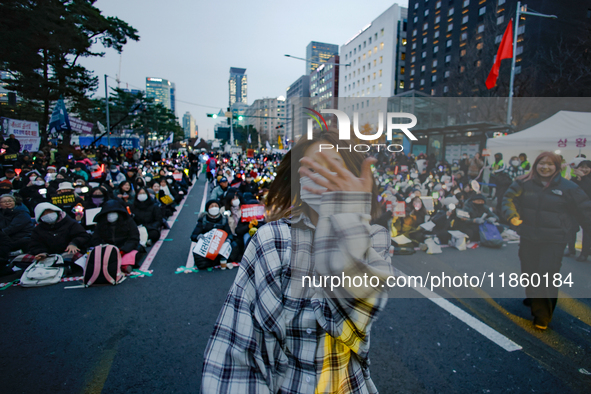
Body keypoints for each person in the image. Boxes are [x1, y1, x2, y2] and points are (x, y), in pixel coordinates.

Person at [201, 131, 392, 393]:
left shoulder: (375, 238)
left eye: (334, 166)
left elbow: (351, 318)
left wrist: (348, 219)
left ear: (353, 176)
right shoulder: (272, 238)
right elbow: (240, 347)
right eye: (312, 168)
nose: (323, 176)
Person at [503, 152, 591, 330]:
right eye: (542, 163)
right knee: (529, 271)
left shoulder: (569, 187)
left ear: (557, 167)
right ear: (535, 165)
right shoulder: (523, 183)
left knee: (547, 275)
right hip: (528, 236)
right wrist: (512, 216)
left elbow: (585, 210)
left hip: (555, 239)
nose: (545, 167)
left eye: (550, 164)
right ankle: (533, 296)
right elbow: (508, 199)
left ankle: (542, 314)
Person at [20, 203, 91, 272]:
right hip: (48, 256)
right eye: (44, 213)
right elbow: (35, 244)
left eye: (49, 211)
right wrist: (41, 252)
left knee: (76, 256)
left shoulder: (70, 223)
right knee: (20, 259)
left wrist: (74, 244)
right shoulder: (37, 230)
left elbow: (83, 236)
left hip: (67, 253)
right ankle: (57, 267)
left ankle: (60, 267)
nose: (47, 215)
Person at [90, 200, 140, 266]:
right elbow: (95, 238)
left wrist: (124, 250)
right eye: (109, 213)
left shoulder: (128, 221)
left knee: (134, 254)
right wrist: (104, 248)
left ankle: (124, 266)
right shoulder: (101, 223)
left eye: (114, 212)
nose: (111, 215)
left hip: (124, 248)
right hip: (106, 249)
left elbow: (134, 237)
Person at [190, 199, 234, 269]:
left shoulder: (223, 219)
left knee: (234, 246)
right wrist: (199, 237)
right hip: (207, 246)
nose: (214, 208)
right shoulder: (203, 220)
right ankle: (216, 260)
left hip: (220, 244)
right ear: (208, 209)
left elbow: (229, 234)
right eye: (212, 206)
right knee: (197, 252)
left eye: (216, 206)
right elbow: (193, 235)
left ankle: (219, 260)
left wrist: (228, 240)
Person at [568, 158, 591, 261]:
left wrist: (584, 178)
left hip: (587, 210)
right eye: (582, 167)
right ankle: (571, 249)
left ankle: (584, 253)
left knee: (587, 232)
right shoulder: (573, 180)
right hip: (574, 209)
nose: (584, 169)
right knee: (571, 229)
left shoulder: (588, 180)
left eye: (587, 167)